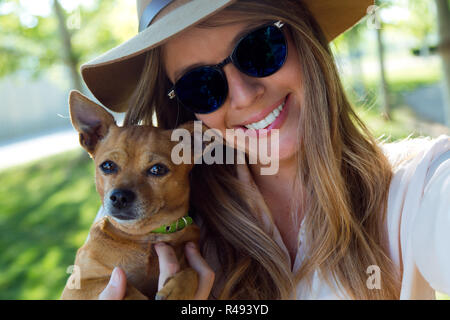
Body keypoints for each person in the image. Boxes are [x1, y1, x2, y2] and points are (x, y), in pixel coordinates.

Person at [79, 0, 450, 300]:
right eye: (200, 84)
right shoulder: (158, 220)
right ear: (188, 111)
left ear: (304, 38)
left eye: (260, 49)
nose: (244, 94)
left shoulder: (420, 185)